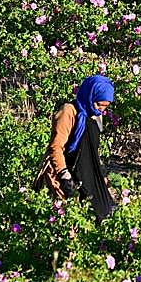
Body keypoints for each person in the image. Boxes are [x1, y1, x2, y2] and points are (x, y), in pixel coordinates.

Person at [33, 74, 116, 222]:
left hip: (87, 173)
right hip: (67, 172)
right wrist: (65, 176)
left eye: (105, 106)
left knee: (102, 213)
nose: (101, 110)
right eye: (98, 104)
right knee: (68, 220)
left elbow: (92, 150)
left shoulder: (95, 116)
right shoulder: (69, 112)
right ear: (90, 96)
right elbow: (56, 147)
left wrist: (102, 175)